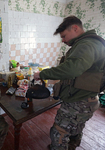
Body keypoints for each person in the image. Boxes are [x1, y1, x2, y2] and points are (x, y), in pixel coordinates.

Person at [34, 16, 105, 150]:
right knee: (75, 129)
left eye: (64, 36)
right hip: (88, 99)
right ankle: (71, 146)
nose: (63, 40)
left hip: (78, 101)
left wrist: (42, 74)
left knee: (58, 132)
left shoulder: (86, 44)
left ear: (75, 28)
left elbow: (72, 69)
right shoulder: (92, 42)